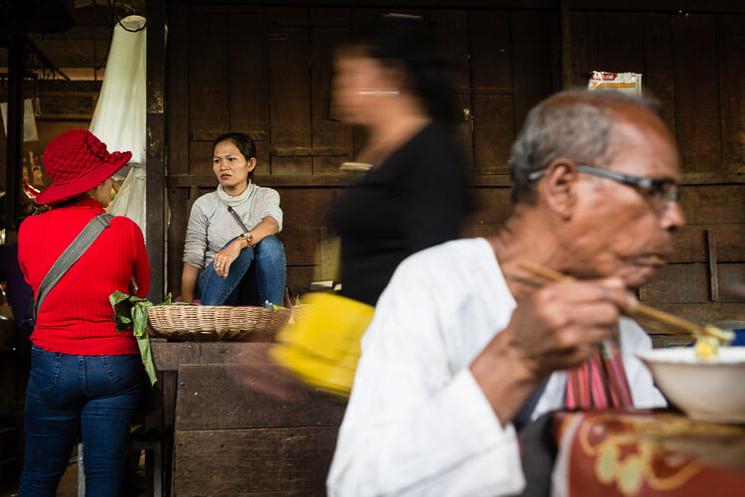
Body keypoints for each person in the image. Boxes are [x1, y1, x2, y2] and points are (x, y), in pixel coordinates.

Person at [327, 89, 684, 496]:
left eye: (676, 197)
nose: (676, 217)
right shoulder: (437, 285)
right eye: (655, 190)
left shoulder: (620, 333)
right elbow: (359, 488)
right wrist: (516, 357)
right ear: (563, 186)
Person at [17, 129, 150, 497]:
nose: (114, 182)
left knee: (38, 477)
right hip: (114, 365)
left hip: (51, 365)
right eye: (109, 175)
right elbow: (142, 292)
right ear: (95, 184)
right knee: (105, 479)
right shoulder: (125, 230)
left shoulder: (29, 229)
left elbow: (34, 282)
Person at [327, 14, 470, 306]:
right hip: (364, 331)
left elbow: (432, 266)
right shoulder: (379, 151)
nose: (339, 86)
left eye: (351, 74)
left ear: (391, 75)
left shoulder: (431, 152)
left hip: (401, 334)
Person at [181, 132, 285, 306]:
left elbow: (271, 223)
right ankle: (209, 314)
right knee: (242, 251)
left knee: (270, 244)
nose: (223, 167)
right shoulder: (203, 204)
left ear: (250, 164)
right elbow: (193, 259)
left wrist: (238, 243)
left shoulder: (266, 195)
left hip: (254, 287)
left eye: (231, 159)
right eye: (217, 161)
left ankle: (275, 315)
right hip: (215, 282)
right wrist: (185, 307)